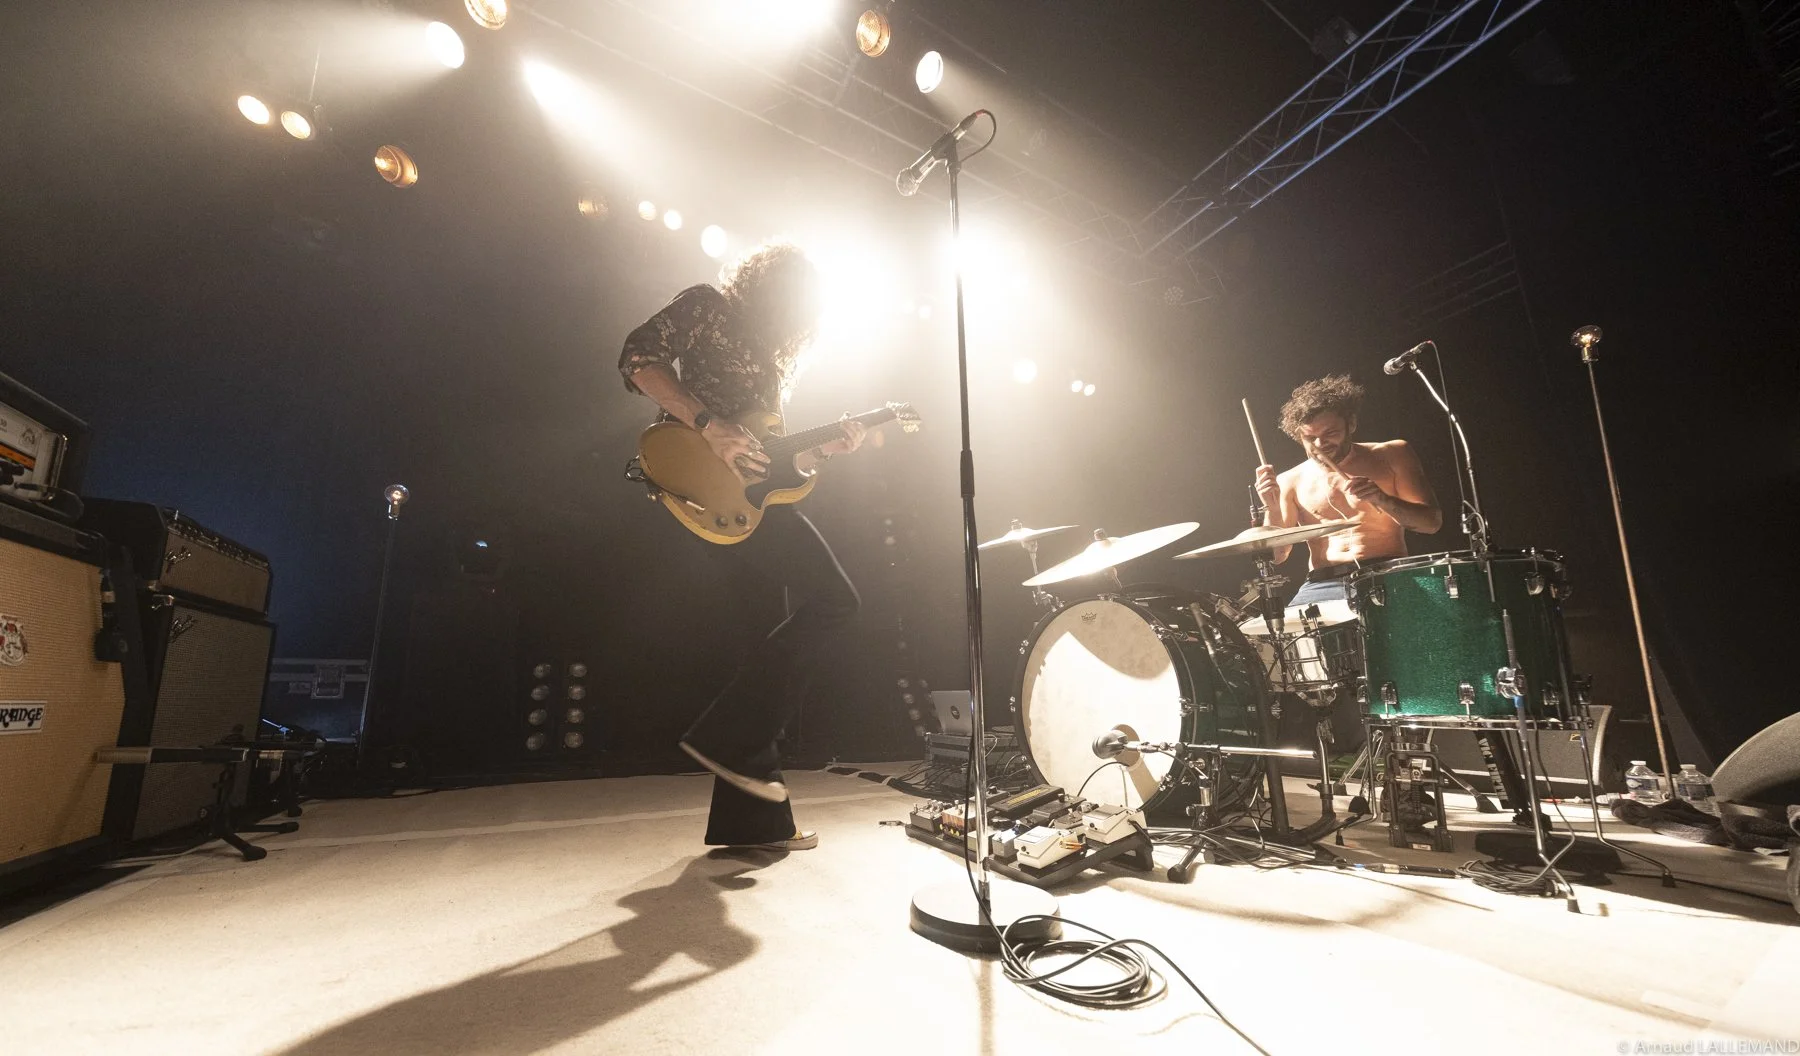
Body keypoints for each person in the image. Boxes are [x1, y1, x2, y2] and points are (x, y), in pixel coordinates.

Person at [618, 242, 866, 852]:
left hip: (746, 503)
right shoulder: (709, 305)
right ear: (771, 282)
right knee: (836, 601)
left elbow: (768, 458)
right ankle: (723, 735)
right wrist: (709, 425)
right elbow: (638, 358)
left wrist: (820, 450)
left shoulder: (772, 362)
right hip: (700, 479)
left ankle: (752, 823)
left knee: (758, 644)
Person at [1253, 374, 1442, 608]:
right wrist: (1271, 508)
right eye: (1311, 438)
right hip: (1322, 583)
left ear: (1351, 424)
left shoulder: (1392, 454)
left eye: (1330, 433)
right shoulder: (1289, 480)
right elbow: (1278, 556)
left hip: (1387, 572)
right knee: (1290, 627)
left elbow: (1431, 524)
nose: (1320, 445)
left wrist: (1382, 499)